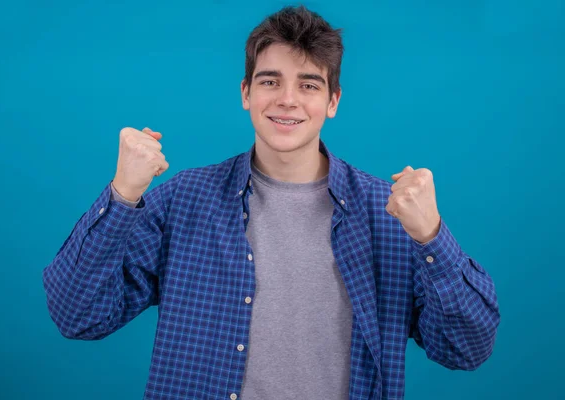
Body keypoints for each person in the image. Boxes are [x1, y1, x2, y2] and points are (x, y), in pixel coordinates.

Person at [42, 5, 500, 400]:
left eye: (308, 85)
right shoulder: (184, 200)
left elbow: (467, 349)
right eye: (269, 81)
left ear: (333, 101)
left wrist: (431, 236)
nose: (287, 100)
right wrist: (123, 194)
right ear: (246, 93)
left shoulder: (391, 215)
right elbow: (77, 315)